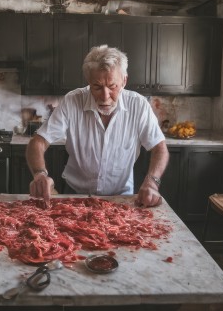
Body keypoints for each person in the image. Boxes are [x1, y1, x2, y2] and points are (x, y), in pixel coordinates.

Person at [26, 45, 169, 208]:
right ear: (89, 81)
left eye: (112, 86)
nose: (105, 96)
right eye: (97, 87)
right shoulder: (72, 101)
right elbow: (38, 142)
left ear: (124, 80)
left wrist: (152, 182)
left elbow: (160, 148)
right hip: (76, 195)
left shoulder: (139, 105)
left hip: (121, 197)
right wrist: (39, 174)